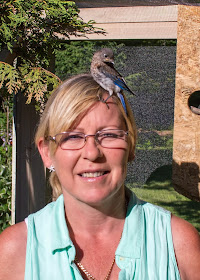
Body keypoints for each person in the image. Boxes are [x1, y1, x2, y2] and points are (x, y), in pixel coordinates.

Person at [0, 74, 200, 280]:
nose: (92, 153)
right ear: (46, 153)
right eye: (73, 137)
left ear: (131, 145)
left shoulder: (178, 245)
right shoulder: (15, 252)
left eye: (109, 134)